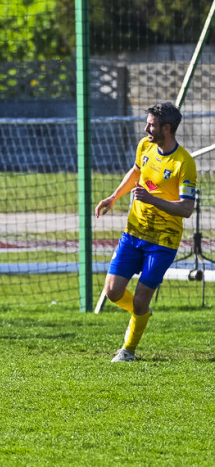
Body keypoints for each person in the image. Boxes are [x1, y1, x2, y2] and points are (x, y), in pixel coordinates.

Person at [94, 101, 197, 362]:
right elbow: (137, 171)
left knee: (140, 301)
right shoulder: (145, 146)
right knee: (113, 292)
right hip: (134, 233)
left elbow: (186, 208)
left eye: (151, 124)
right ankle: (142, 315)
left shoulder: (184, 163)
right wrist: (114, 197)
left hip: (163, 242)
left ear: (167, 128)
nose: (146, 128)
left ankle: (127, 350)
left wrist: (152, 200)